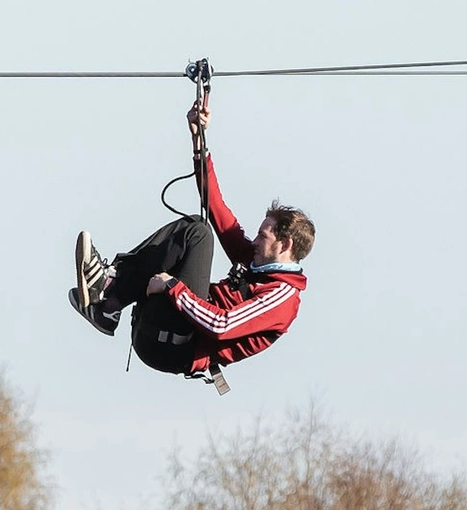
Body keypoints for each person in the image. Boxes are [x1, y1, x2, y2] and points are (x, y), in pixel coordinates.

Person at [69, 78, 313, 389]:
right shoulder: (257, 262)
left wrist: (173, 286)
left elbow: (222, 325)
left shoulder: (282, 297)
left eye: (263, 236)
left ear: (285, 244)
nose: (254, 241)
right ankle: (109, 303)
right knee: (197, 226)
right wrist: (199, 140)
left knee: (198, 234)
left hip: (173, 347)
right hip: (159, 325)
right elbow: (216, 207)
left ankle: (111, 290)